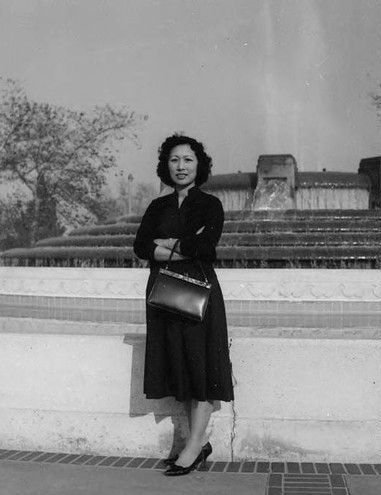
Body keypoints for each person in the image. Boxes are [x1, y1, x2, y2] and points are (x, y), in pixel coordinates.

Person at [133, 134, 234, 476]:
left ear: (199, 165)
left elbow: (205, 246)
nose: (181, 166)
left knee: (199, 364)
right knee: (177, 362)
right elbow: (141, 246)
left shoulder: (210, 205)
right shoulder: (157, 207)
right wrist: (179, 246)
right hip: (164, 291)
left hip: (197, 291)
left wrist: (168, 245)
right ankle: (195, 442)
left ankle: (195, 445)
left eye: (188, 160)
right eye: (175, 160)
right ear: (166, 165)